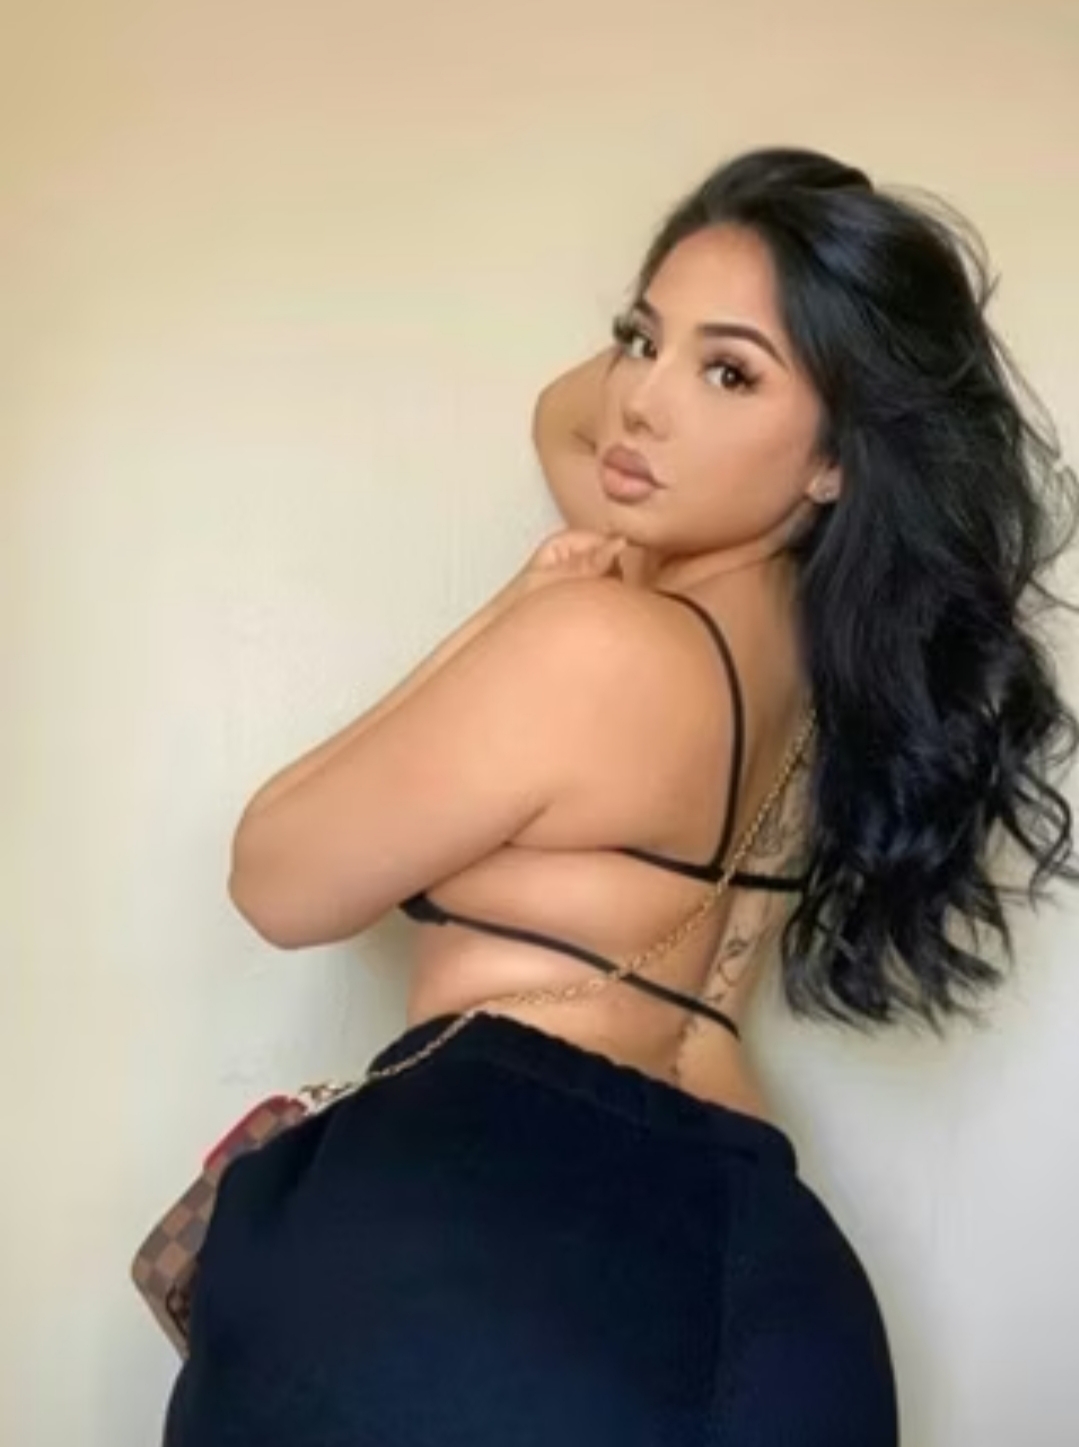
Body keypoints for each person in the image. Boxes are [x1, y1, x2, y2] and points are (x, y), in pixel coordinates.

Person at [163, 147, 1078, 1446]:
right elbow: (576, 419)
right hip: (772, 1295)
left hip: (492, 1252)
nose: (639, 403)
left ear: (836, 458)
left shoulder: (595, 641)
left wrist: (515, 609)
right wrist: (781, 266)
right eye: (639, 340)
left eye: (730, 373)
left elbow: (276, 879)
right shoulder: (845, 675)